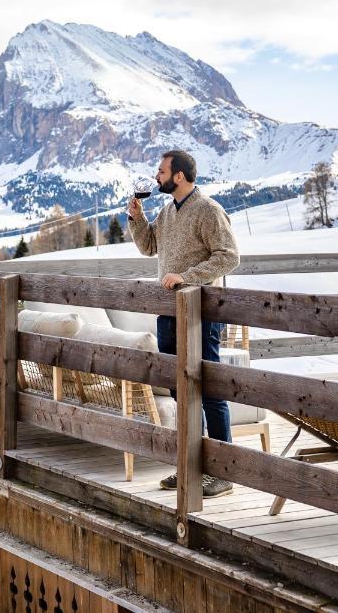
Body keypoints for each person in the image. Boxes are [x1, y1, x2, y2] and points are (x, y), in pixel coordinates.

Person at [127, 149, 240, 498]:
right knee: (180, 390)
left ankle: (223, 472)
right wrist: (137, 218)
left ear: (179, 176)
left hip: (201, 314)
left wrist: (187, 277)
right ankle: (191, 466)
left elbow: (229, 256)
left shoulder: (208, 210)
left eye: (161, 171)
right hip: (170, 312)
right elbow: (149, 247)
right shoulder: (166, 210)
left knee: (209, 388)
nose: (157, 177)